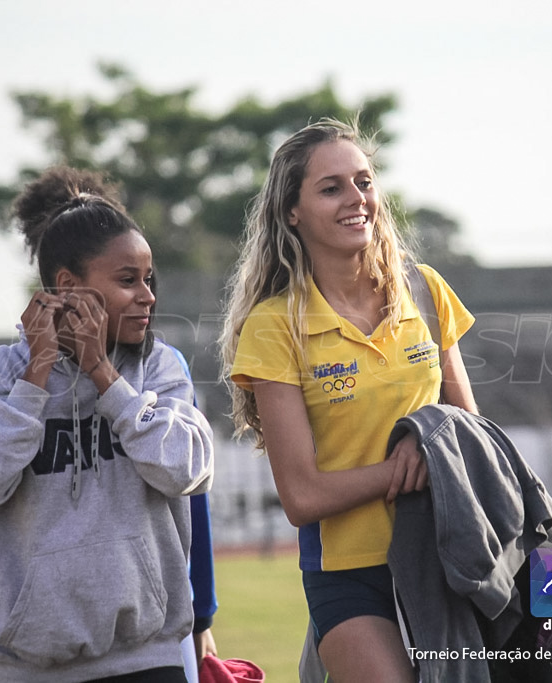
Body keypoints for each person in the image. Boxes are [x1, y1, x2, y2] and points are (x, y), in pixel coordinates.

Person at [220, 119, 478, 682]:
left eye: (363, 182)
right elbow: (303, 496)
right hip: (349, 574)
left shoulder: (425, 290)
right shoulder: (273, 325)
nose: (356, 199)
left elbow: (470, 430)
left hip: (450, 557)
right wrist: (401, 469)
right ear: (292, 211)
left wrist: (433, 452)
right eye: (331, 187)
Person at [0, 166, 214, 682]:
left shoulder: (156, 367)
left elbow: (187, 470)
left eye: (148, 279)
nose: (148, 296)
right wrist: (34, 378)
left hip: (148, 660)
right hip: (27, 669)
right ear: (68, 286)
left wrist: (106, 379)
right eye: (127, 280)